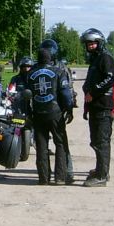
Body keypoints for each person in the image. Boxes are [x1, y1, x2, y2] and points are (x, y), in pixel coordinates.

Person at [28, 44, 74, 185]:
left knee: (41, 146)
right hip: (55, 113)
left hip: (38, 113)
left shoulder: (31, 74)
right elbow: (65, 94)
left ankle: (43, 178)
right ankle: (60, 177)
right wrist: (69, 109)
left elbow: (26, 95)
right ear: (51, 58)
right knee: (60, 144)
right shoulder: (59, 72)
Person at [81, 28, 114, 187]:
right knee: (95, 141)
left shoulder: (105, 57)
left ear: (100, 43)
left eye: (93, 43)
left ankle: (102, 176)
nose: (90, 46)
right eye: (88, 43)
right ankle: (100, 170)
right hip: (95, 106)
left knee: (101, 142)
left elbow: (111, 77)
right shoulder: (95, 59)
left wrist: (94, 92)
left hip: (103, 106)